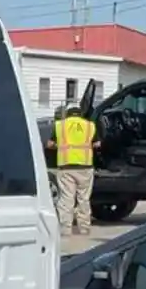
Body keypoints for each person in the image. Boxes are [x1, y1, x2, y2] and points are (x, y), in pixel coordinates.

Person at [52, 95, 98, 237]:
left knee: (66, 199)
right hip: (85, 167)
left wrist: (58, 146)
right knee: (84, 199)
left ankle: (66, 229)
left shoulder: (60, 126)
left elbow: (49, 144)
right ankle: (84, 229)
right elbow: (97, 144)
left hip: (66, 167)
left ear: (68, 113)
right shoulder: (90, 126)